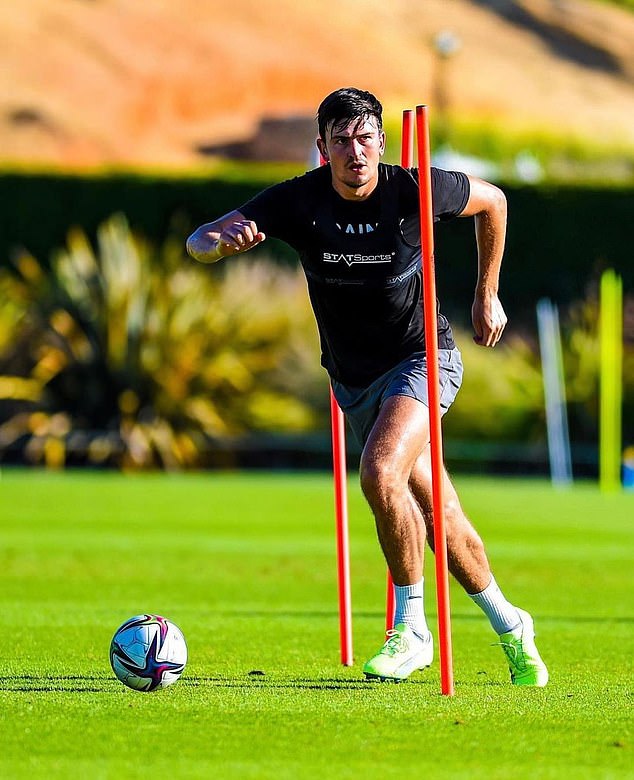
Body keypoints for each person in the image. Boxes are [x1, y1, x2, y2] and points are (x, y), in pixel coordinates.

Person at [186, 87, 548, 686]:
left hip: (423, 358)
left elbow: (495, 202)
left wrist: (487, 293)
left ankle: (410, 630)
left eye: (365, 137)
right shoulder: (297, 202)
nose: (355, 151)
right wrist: (216, 244)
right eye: (341, 140)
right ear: (322, 148)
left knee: (381, 472)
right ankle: (513, 625)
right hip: (353, 382)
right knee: (442, 517)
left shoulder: (412, 188)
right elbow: (202, 237)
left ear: (381, 140)